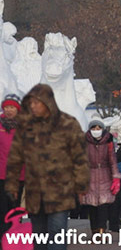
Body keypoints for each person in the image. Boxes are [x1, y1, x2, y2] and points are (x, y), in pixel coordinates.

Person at [4, 83, 89, 250]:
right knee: (39, 235)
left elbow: (80, 158)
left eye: (37, 103)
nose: (33, 107)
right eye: (31, 103)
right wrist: (13, 184)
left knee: (57, 232)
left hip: (61, 192)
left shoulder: (68, 124)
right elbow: (16, 157)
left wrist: (81, 186)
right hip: (35, 191)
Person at [80, 119, 120, 235]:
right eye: (94, 128)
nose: (96, 131)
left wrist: (116, 177)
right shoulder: (84, 142)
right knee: (92, 206)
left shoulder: (108, 142)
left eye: (98, 128)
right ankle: (94, 230)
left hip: (105, 176)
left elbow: (113, 161)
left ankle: (102, 229)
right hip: (90, 177)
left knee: (103, 205)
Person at [0, 94, 22, 234]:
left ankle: (13, 238)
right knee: (2, 208)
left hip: (19, 175)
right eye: (6, 107)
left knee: (15, 208)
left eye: (12, 107)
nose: (9, 110)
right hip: (1, 174)